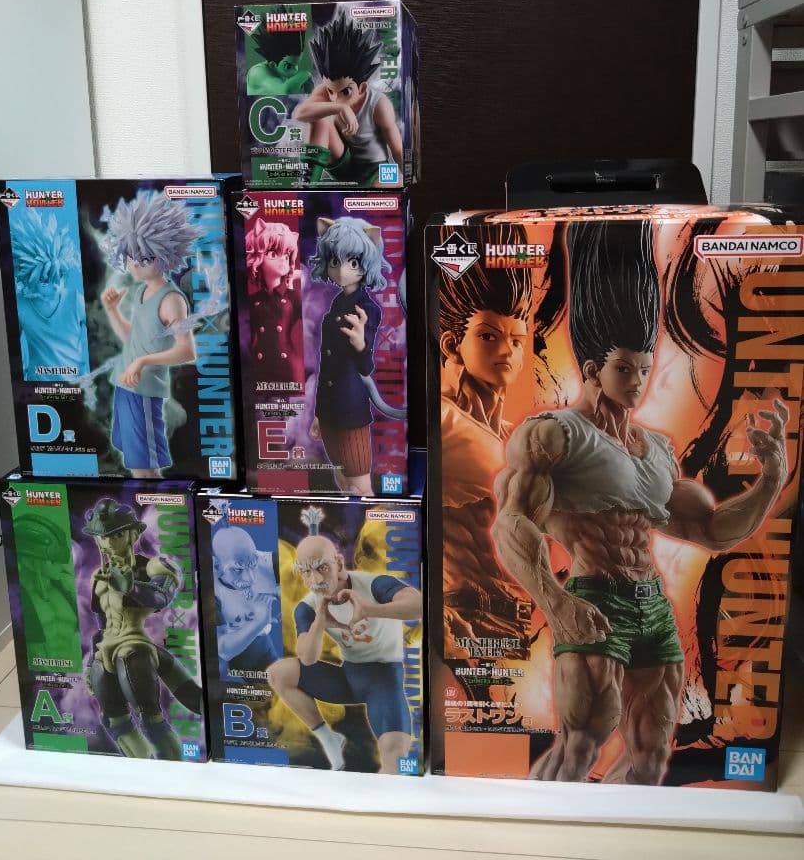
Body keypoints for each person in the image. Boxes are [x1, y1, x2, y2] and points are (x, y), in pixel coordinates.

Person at [492, 220, 787, 784]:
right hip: (594, 600)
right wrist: (556, 603)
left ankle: (618, 828)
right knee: (581, 746)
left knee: (651, 754)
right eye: (624, 368)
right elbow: (512, 524)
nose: (638, 381)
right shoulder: (554, 434)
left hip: (653, 609)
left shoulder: (657, 450)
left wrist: (770, 480)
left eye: (646, 368)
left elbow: (712, 530)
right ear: (593, 369)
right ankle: (548, 827)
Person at [438, 224, 537, 659]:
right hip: (463, 624)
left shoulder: (506, 431)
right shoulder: (446, 422)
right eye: (488, 336)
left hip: (508, 622)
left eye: (517, 340)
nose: (508, 352)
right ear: (452, 345)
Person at [267, 506, 422, 773]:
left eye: (322, 568)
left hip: (383, 680)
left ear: (339, 564)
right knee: (279, 673)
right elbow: (307, 657)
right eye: (306, 571)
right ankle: (329, 738)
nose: (316, 579)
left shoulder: (371, 584)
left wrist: (370, 609)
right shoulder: (307, 606)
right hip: (348, 678)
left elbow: (418, 606)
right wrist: (320, 621)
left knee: (394, 756)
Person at [83, 497, 202, 759]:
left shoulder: (152, 565)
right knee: (115, 722)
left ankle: (175, 767)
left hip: (136, 648)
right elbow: (101, 625)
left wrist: (131, 586)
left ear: (134, 534)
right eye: (103, 537)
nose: (108, 543)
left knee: (152, 719)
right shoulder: (98, 578)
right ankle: (141, 769)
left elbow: (161, 596)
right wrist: (91, 661)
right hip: (104, 653)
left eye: (116, 535)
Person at [100, 191, 199, 477]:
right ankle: (144, 500)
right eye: (131, 256)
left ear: (166, 256)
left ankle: (154, 503)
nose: (134, 264)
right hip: (126, 386)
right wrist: (112, 311)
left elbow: (187, 351)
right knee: (133, 459)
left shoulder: (172, 300)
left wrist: (142, 362)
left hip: (144, 392)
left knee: (144, 465)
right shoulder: (143, 291)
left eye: (143, 258)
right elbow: (135, 341)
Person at [309, 216, 390, 496]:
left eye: (353, 262)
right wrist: (319, 414)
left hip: (352, 411)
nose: (342, 270)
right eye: (335, 261)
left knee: (359, 486)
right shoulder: (337, 304)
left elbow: (366, 367)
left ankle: (372, 523)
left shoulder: (368, 308)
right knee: (342, 480)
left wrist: (360, 344)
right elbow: (326, 366)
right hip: (330, 411)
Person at [294, 13, 403, 187]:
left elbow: (397, 149)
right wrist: (340, 108)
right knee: (319, 116)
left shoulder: (379, 104)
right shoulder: (325, 91)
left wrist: (407, 177)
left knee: (387, 186)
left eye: (345, 91)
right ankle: (307, 184)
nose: (336, 98)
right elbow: (300, 114)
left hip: (374, 170)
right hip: (344, 165)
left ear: (362, 88)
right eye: (331, 90)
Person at [10, 207, 87, 381]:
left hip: (75, 388)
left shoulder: (76, 301)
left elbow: (99, 338)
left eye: (60, 276)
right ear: (28, 278)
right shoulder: (20, 305)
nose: (56, 287)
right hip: (35, 388)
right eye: (45, 281)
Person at [212, 524, 279, 680]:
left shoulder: (267, 562)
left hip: (264, 645)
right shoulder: (210, 587)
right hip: (234, 659)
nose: (250, 578)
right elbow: (224, 649)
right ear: (217, 566)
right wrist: (259, 622)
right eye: (238, 569)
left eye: (253, 565)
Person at [245, 218, 302, 383]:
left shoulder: (294, 297)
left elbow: (312, 332)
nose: (283, 259)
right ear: (257, 257)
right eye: (273, 254)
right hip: (259, 368)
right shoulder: (252, 300)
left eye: (286, 254)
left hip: (288, 370)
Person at [246, 26, 313, 96]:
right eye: (289, 66)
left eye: (296, 65)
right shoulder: (257, 72)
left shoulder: (282, 71)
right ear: (273, 65)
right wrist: (307, 74)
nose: (295, 71)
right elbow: (285, 90)